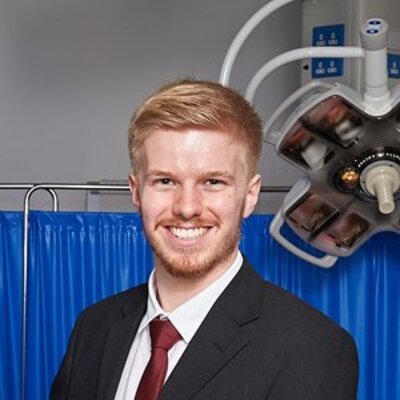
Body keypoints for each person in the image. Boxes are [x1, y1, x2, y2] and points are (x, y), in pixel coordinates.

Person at [50, 79, 358, 399]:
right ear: (136, 191)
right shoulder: (94, 328)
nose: (187, 208)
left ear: (250, 195)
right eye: (165, 181)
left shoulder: (311, 349)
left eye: (213, 182)